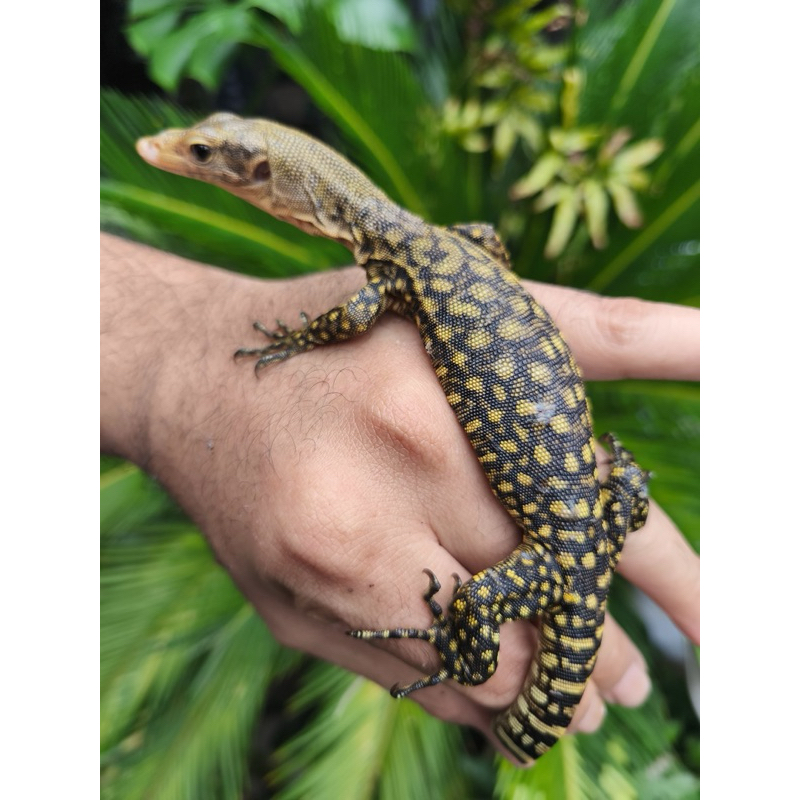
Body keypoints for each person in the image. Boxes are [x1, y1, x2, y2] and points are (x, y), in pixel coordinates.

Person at [100, 231, 700, 760]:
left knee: (475, 605)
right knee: (571, 539)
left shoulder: (395, 272)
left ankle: (468, 661)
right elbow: (484, 237)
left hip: (560, 558)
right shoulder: (440, 249)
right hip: (583, 534)